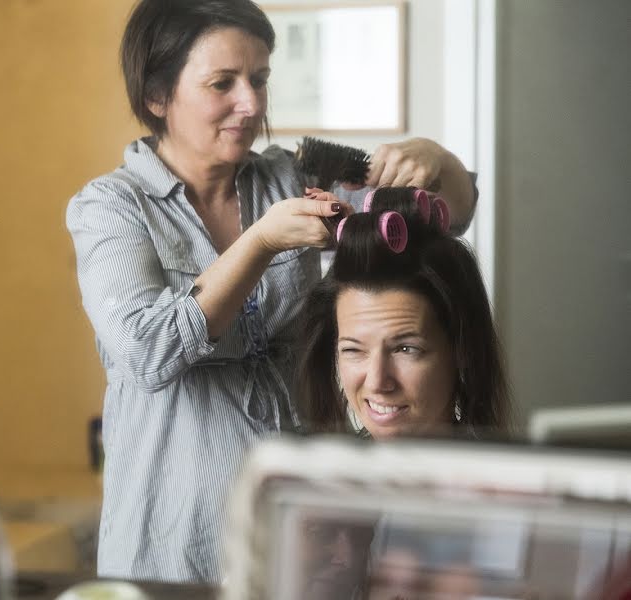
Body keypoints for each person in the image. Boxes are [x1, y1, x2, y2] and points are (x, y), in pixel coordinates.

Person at [66, 0, 479, 582]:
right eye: (223, 84)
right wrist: (258, 245)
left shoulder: (288, 178)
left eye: (259, 79)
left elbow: (446, 216)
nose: (252, 104)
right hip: (173, 544)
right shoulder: (110, 209)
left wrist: (440, 161)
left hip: (302, 532)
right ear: (157, 96)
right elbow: (144, 351)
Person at [296, 186, 512, 440]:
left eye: (406, 349)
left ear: (462, 352)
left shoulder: (506, 478)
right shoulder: (311, 475)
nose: (377, 381)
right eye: (353, 350)